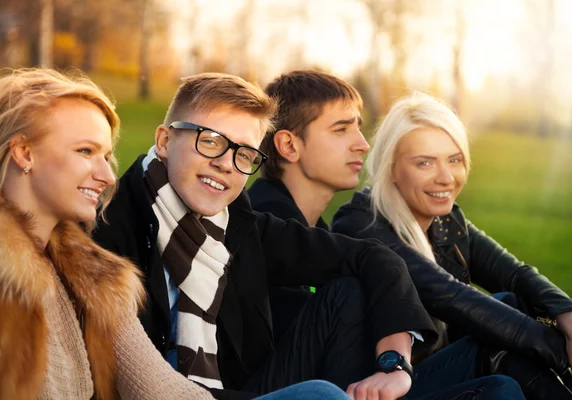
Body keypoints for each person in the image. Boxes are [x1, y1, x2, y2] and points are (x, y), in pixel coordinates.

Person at [0, 68, 357, 400]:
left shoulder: (97, 274)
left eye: (106, 156)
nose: (107, 175)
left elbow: (162, 389)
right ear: (24, 153)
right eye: (85, 151)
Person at [92, 72, 441, 400]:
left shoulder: (239, 227)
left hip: (246, 390)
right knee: (322, 396)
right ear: (165, 141)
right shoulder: (111, 225)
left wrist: (394, 363)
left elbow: (374, 258)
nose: (226, 164)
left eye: (243, 153)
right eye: (210, 141)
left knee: (346, 293)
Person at [249, 69, 528, 400]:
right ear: (288, 145)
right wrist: (392, 363)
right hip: (299, 391)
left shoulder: (316, 232)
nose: (363, 144)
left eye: (358, 127)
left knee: (502, 367)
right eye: (341, 130)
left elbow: (516, 275)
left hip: (356, 383)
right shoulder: (261, 224)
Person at [331, 92, 572, 399]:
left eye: (454, 160)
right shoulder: (361, 223)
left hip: (435, 368)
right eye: (425, 163)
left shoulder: (447, 221)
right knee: (502, 375)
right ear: (391, 169)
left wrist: (567, 312)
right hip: (383, 384)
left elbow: (516, 274)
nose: (445, 177)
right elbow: (449, 295)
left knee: (512, 301)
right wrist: (558, 350)